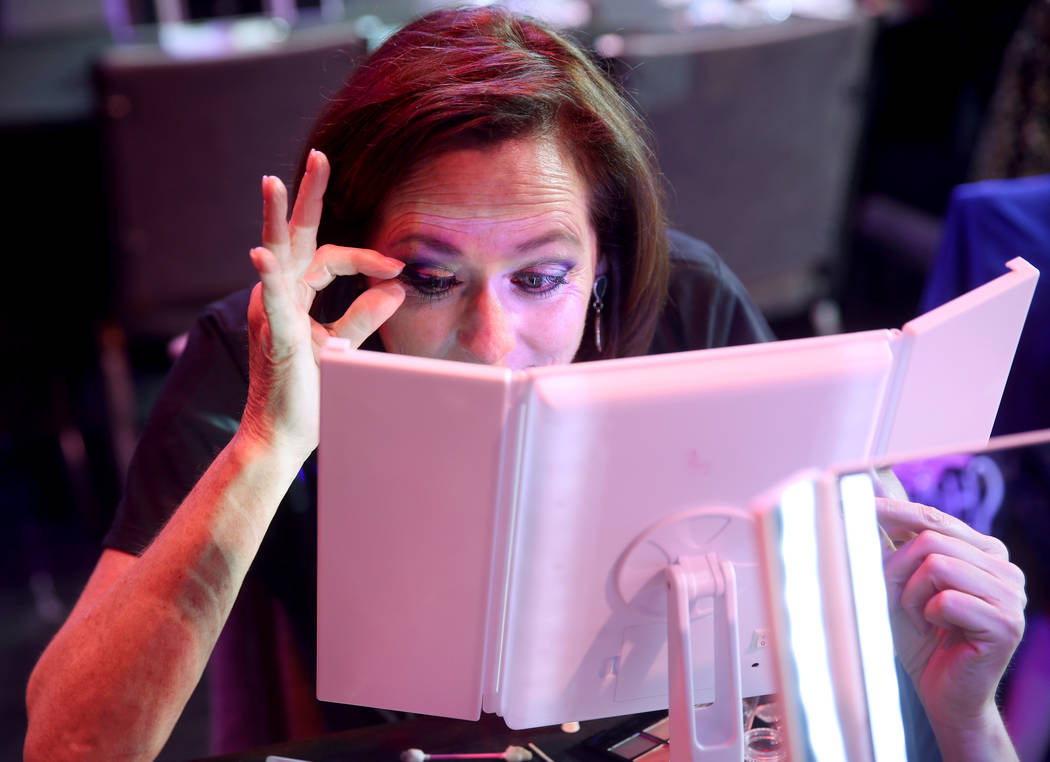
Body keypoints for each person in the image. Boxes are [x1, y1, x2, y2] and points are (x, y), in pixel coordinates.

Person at [24, 7, 1024, 762]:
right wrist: (264, 449)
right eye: (430, 276)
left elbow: (823, 678)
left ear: (603, 271)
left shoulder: (680, 308)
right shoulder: (268, 355)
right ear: (347, 270)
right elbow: (68, 745)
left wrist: (957, 703)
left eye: (541, 279)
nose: (495, 340)